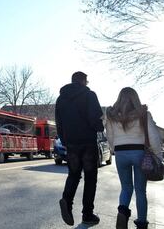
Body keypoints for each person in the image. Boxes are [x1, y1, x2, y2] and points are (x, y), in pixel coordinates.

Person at [105, 87, 162, 229]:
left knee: (125, 188)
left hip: (120, 154)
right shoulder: (143, 114)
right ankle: (142, 224)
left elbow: (110, 137)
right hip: (139, 153)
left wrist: (114, 150)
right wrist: (157, 155)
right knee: (140, 191)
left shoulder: (111, 116)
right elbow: (154, 137)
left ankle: (123, 212)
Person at [55, 71, 104, 226]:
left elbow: (59, 122)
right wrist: (99, 127)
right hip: (88, 143)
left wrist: (65, 140)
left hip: (71, 144)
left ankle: (66, 200)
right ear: (83, 81)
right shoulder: (89, 95)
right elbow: (95, 118)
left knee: (74, 175)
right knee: (90, 178)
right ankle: (87, 214)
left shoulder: (61, 99)